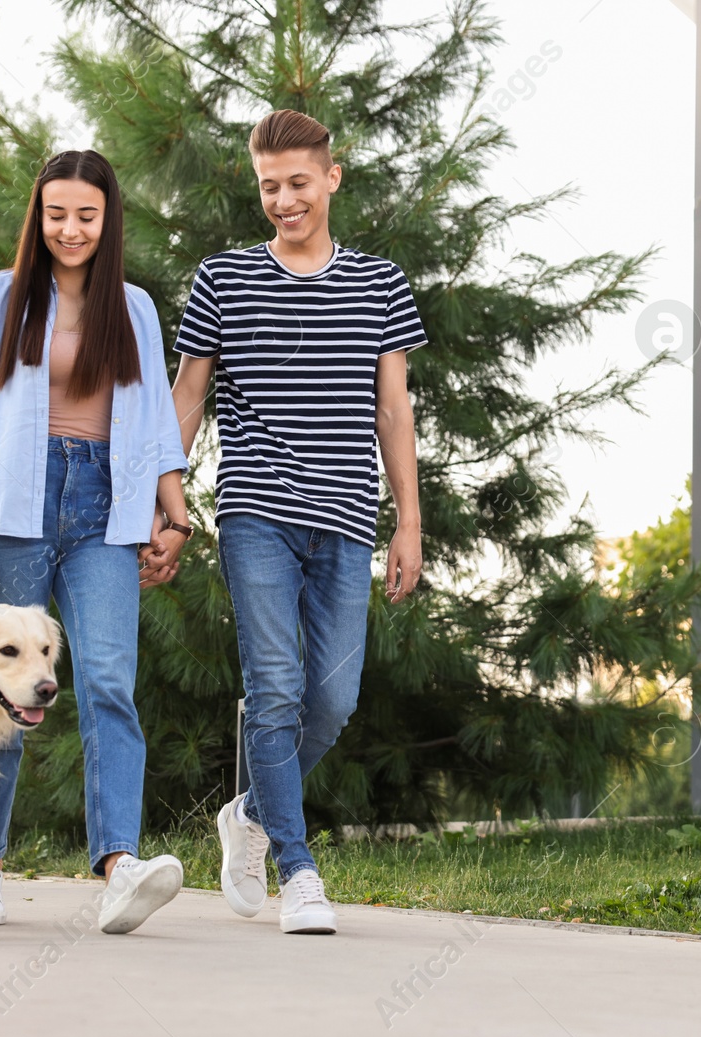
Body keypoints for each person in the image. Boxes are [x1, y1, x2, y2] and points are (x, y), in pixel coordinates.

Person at [156, 109, 426, 934]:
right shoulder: (223, 281)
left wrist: (408, 521)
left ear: (332, 179)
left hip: (346, 518)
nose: (284, 200)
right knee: (273, 688)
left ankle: (248, 812)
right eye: (269, 186)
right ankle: (299, 869)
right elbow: (188, 397)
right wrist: (163, 503)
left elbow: (393, 409)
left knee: (334, 699)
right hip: (256, 513)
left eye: (298, 184)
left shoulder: (379, 283)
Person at [0, 149, 194, 935]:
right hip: (12, 506)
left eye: (87, 214)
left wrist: (174, 515)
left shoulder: (136, 309)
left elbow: (155, 426)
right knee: (6, 695)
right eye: (56, 214)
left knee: (112, 682)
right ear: (38, 216)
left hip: (105, 512)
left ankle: (119, 866)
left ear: (107, 218)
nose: (71, 228)